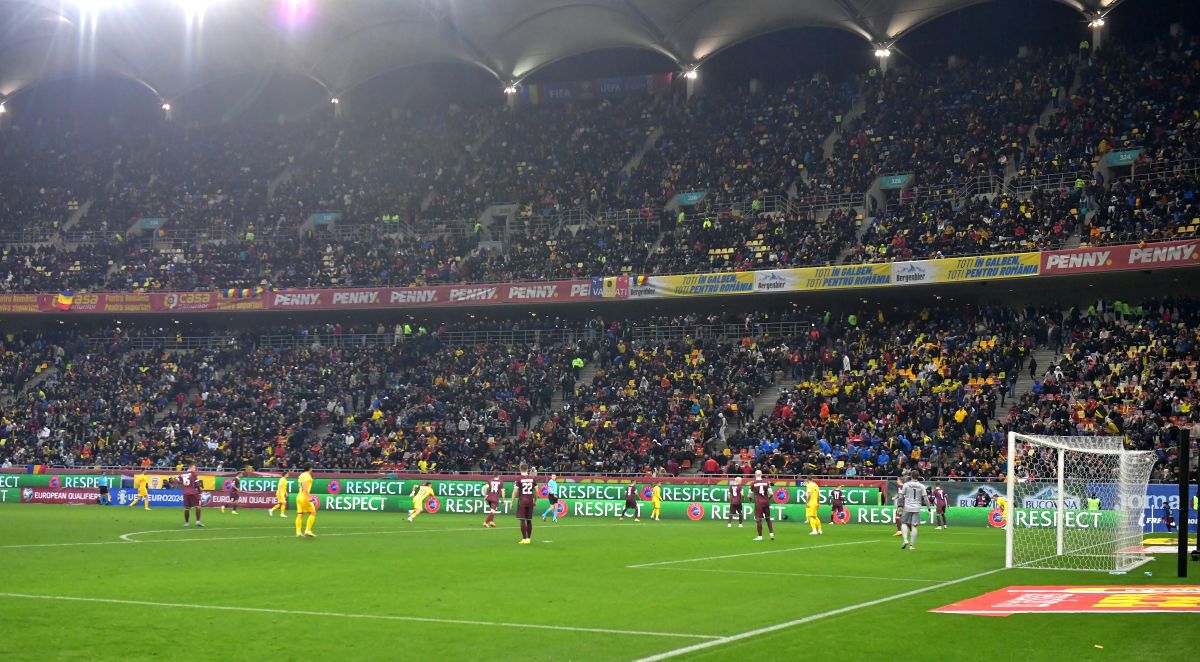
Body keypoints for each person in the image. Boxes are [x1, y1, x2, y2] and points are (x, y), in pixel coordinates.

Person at [900, 470, 930, 550]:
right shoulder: (921, 486)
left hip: (907, 506)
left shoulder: (906, 485)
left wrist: (900, 505)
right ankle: (911, 546)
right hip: (917, 507)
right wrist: (929, 508)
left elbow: (901, 496)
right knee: (914, 526)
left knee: (903, 523)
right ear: (918, 476)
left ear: (911, 476)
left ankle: (905, 540)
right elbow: (925, 498)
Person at [512, 464, 537, 544]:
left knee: (522, 520)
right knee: (529, 520)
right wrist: (535, 501)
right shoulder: (532, 478)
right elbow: (536, 491)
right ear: (527, 469)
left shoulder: (518, 479)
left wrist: (511, 502)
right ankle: (528, 539)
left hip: (522, 501)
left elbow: (515, 491)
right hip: (530, 501)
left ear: (520, 469)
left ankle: (524, 538)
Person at [750, 470, 774, 541]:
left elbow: (749, 495)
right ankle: (771, 534)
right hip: (766, 502)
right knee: (768, 518)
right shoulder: (766, 482)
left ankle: (760, 536)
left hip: (758, 503)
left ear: (755, 475)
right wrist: (768, 499)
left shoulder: (753, 483)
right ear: (761, 474)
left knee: (758, 519)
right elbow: (771, 493)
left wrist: (750, 499)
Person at [295, 465, 316, 538]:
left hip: (299, 496)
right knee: (313, 513)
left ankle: (298, 532)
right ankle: (307, 530)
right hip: (304, 496)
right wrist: (308, 497)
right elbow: (305, 487)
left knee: (300, 514)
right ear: (310, 468)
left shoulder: (301, 475)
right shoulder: (307, 475)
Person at [180, 464, 204, 528]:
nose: (195, 469)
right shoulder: (193, 474)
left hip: (185, 493)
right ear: (190, 468)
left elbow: (175, 480)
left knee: (186, 508)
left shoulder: (182, 474)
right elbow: (197, 484)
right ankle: (198, 522)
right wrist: (200, 492)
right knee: (198, 507)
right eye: (194, 468)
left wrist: (182, 484)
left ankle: (186, 523)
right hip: (193, 492)